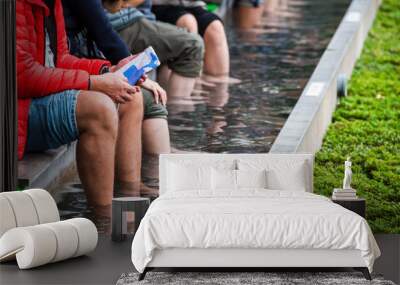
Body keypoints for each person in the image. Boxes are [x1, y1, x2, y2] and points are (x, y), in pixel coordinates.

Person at [16, 0, 153, 207]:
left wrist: (109, 71)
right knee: (100, 109)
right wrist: (95, 83)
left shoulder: (55, 3)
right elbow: (22, 78)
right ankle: (103, 221)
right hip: (18, 114)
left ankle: (128, 202)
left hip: (37, 98)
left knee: (131, 96)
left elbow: (61, 59)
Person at [62, 0, 170, 154]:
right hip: (67, 75)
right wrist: (132, 72)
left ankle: (153, 171)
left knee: (144, 96)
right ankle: (154, 174)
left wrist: (113, 70)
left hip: (75, 66)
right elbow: (105, 34)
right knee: (144, 98)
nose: (128, 5)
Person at [150, 0, 230, 81]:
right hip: (157, 5)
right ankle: (192, 85)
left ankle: (219, 88)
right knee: (188, 24)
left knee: (215, 27)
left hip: (192, 5)